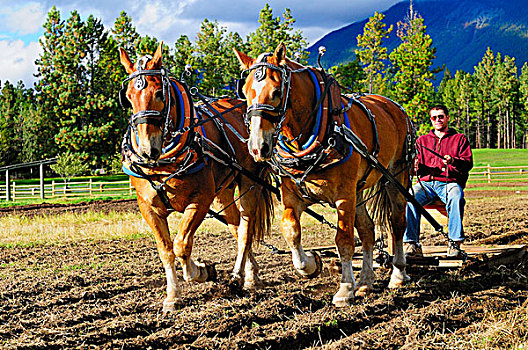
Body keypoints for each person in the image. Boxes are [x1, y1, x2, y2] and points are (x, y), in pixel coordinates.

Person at [404, 105, 473, 258]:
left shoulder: (459, 139)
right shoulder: (422, 141)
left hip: (449, 183)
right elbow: (415, 168)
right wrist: (414, 167)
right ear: (431, 120)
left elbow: (468, 163)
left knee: (456, 196)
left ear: (447, 118)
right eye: (434, 117)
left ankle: (455, 243)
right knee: (410, 196)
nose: (437, 120)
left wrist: (453, 161)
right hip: (426, 184)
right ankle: (412, 243)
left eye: (441, 116)